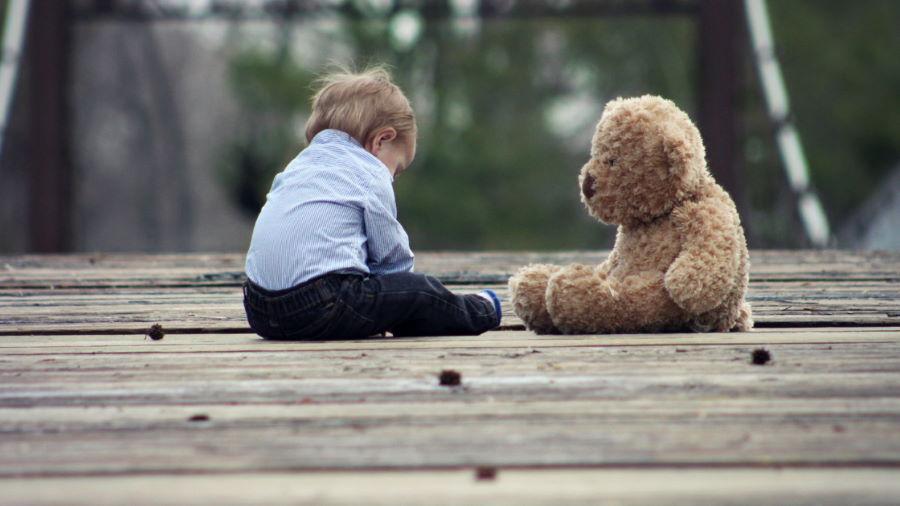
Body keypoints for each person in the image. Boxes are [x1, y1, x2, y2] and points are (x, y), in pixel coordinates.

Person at [242, 66, 501, 340]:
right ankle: (482, 309)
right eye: (397, 169)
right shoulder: (369, 172)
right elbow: (391, 259)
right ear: (381, 140)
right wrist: (401, 295)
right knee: (421, 292)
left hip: (259, 310)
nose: (392, 178)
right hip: (321, 306)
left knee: (385, 300)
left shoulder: (297, 166)